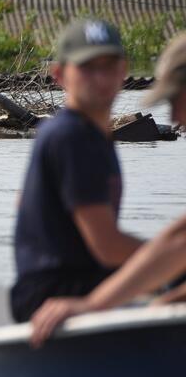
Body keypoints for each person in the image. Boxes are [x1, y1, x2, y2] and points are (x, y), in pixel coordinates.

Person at [30, 33, 186, 347]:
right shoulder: (73, 136)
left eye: (174, 99)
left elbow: (179, 242)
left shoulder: (80, 136)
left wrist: (94, 305)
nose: (174, 118)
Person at [10, 19, 143, 323]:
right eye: (87, 67)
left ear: (124, 70)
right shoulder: (71, 136)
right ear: (59, 74)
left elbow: (23, 202)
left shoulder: (92, 134)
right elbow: (108, 248)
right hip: (53, 294)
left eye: (109, 66)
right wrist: (169, 260)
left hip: (78, 280)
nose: (100, 78)